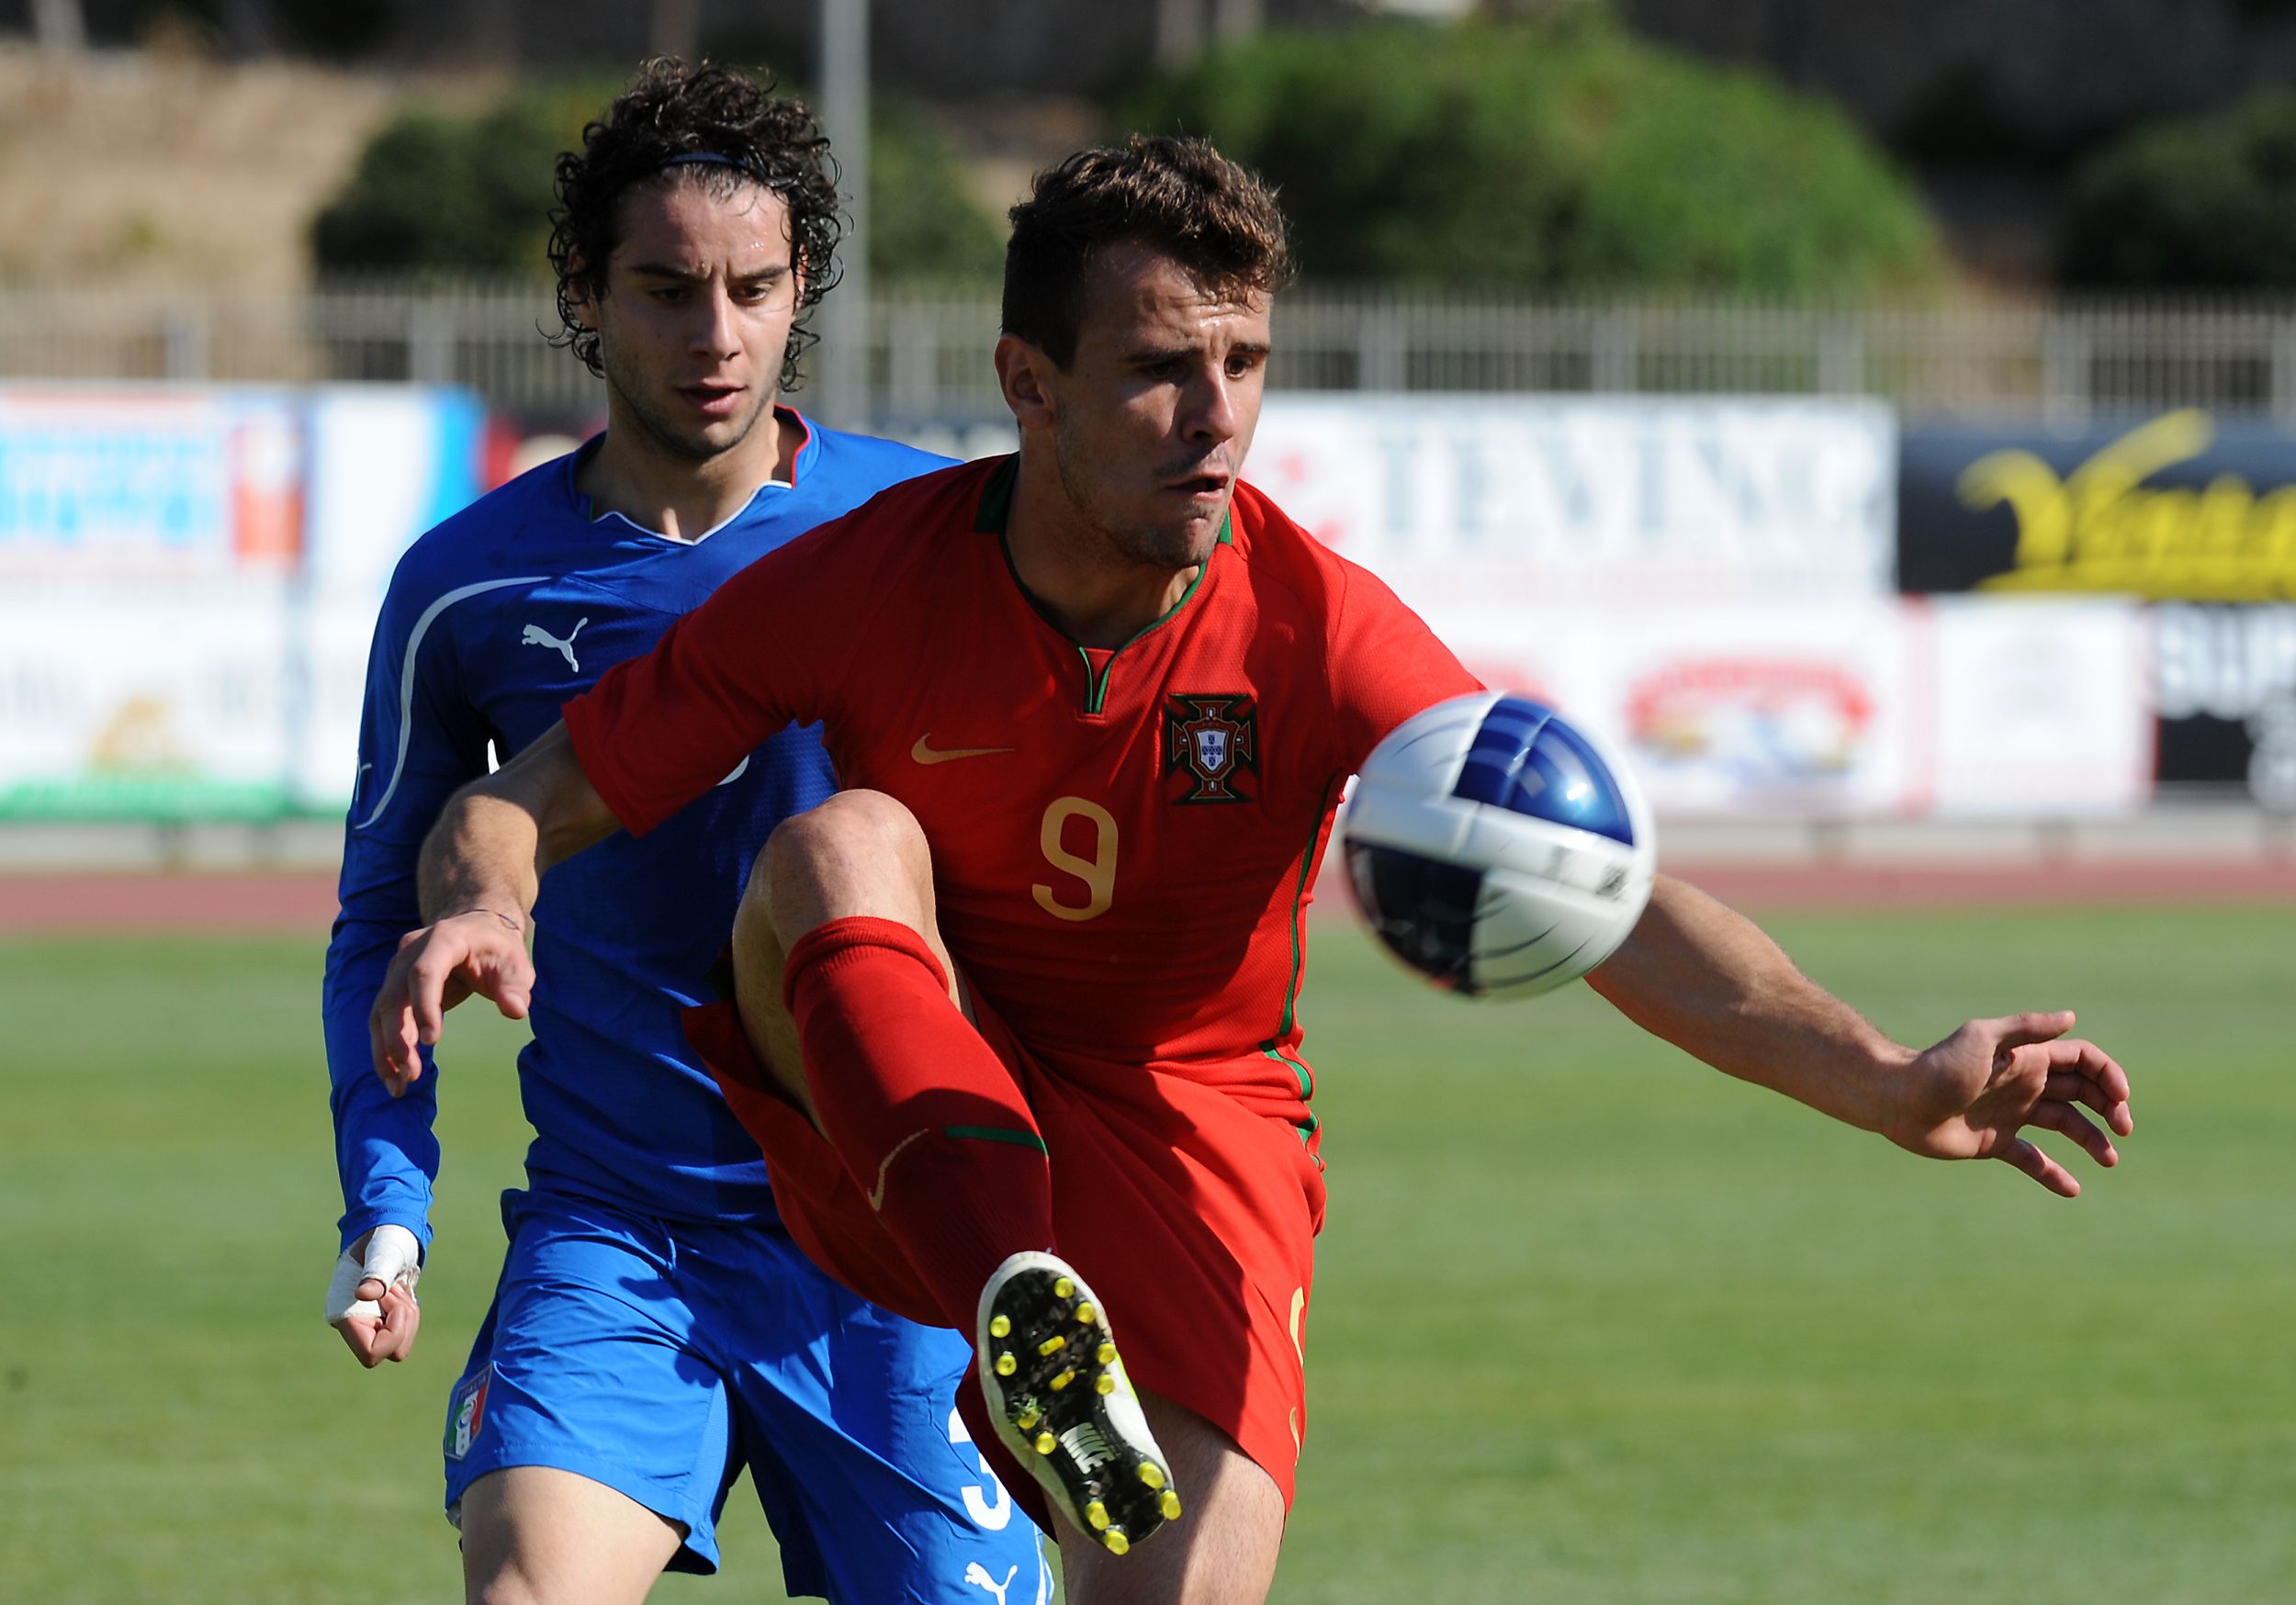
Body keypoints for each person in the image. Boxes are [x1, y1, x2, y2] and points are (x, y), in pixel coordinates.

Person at [366, 136, 2135, 1605]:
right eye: (1156, 368)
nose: (1214, 416)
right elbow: (530, 794)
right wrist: (492, 895)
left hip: (1193, 1124)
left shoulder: (1317, 626)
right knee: (844, 840)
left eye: (1245, 364)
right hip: (898, 1103)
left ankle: (1032, 1325)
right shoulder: (868, 575)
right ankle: (1005, 1293)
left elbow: (1606, 904)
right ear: (1027, 382)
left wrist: (1890, 1079)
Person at [320, 59, 1046, 1605]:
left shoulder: (932, 540)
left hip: (891, 1249)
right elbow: (385, 922)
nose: (715, 337)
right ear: (585, 293)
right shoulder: (471, 583)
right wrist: (388, 1206)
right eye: (665, 289)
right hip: (617, 1234)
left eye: (755, 288)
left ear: (802, 294)